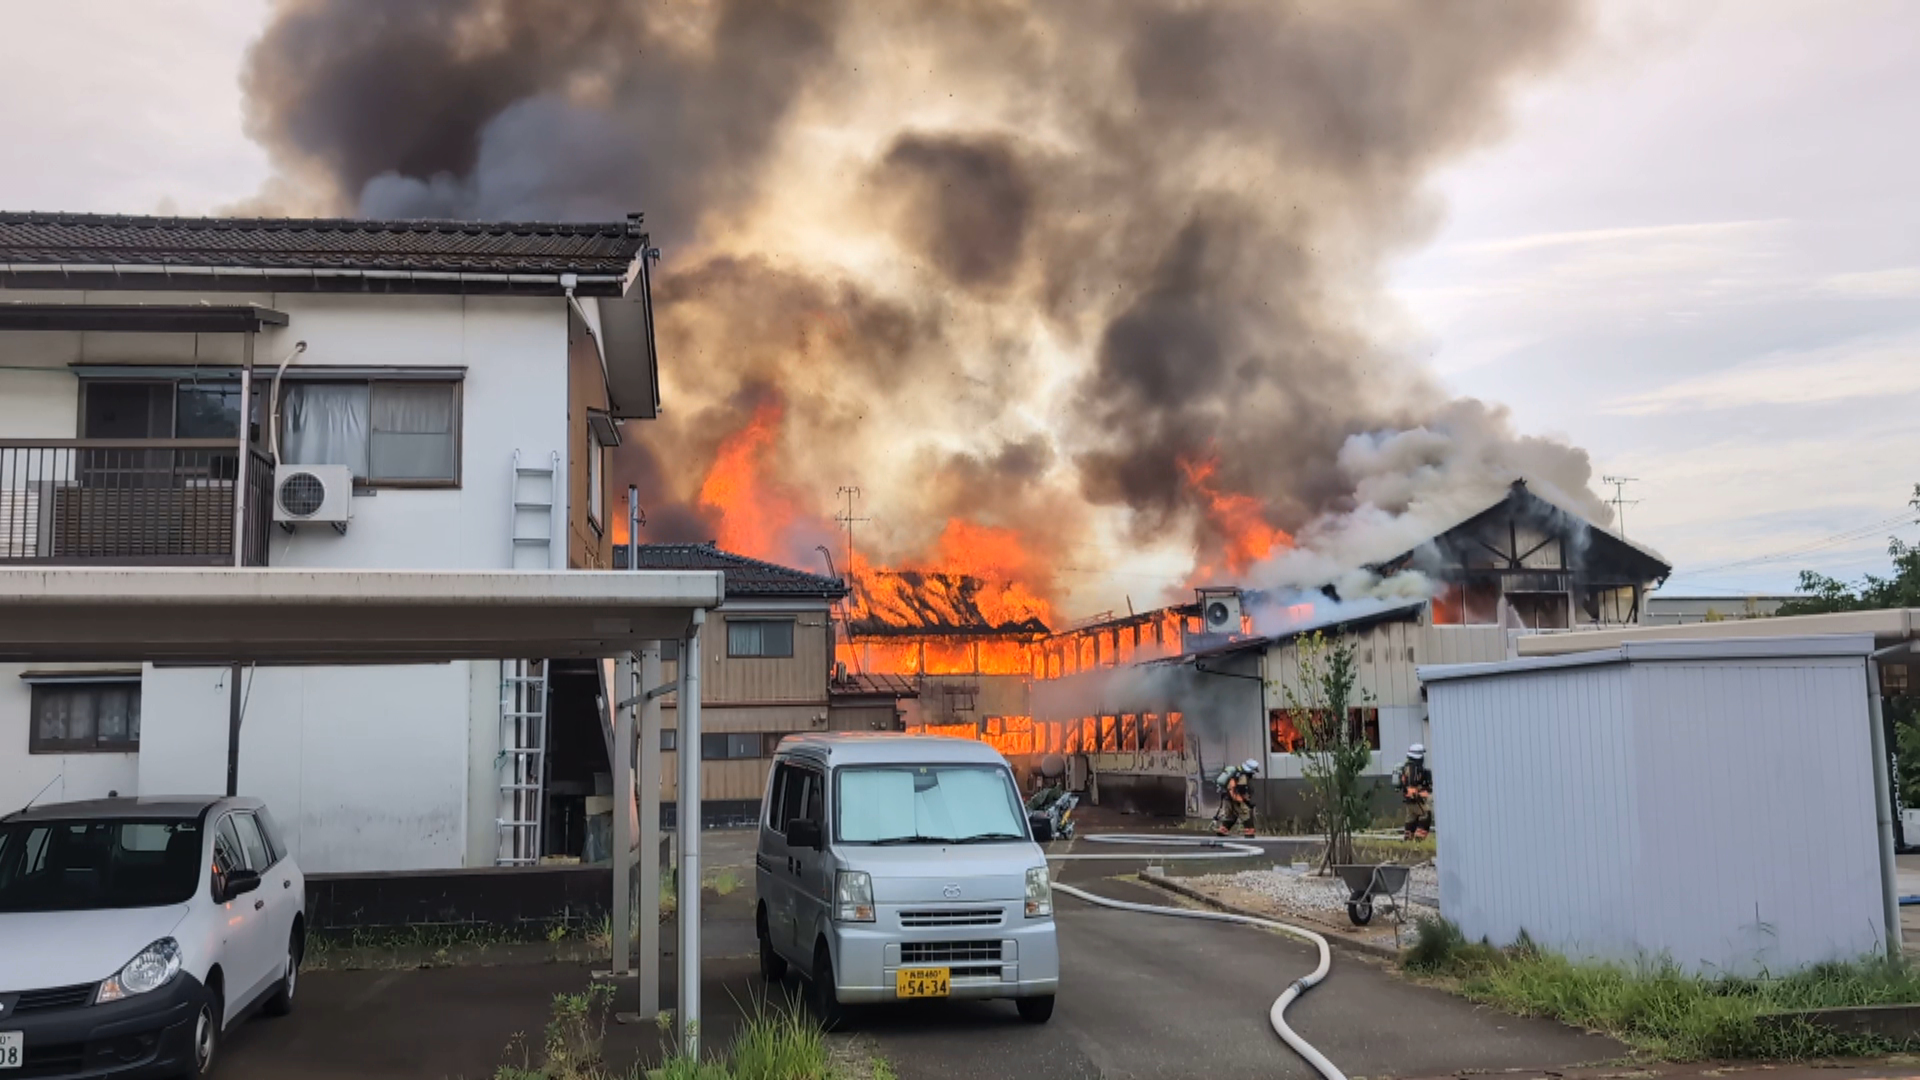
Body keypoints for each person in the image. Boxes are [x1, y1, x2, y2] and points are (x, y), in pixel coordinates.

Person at [1213, 758, 1261, 838]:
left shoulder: (1236, 773)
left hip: (1227, 797)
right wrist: (1246, 801)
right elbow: (1241, 789)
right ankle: (1249, 831)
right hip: (1235, 798)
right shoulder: (1243, 776)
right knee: (1246, 812)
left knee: (1231, 815)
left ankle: (1223, 830)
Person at [1395, 743, 1433, 840]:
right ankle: (1419, 840)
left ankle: (1408, 840)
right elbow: (1413, 785)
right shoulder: (1414, 768)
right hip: (1415, 798)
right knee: (1426, 814)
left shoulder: (1406, 767)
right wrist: (1421, 794)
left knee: (1411, 818)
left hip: (1408, 799)